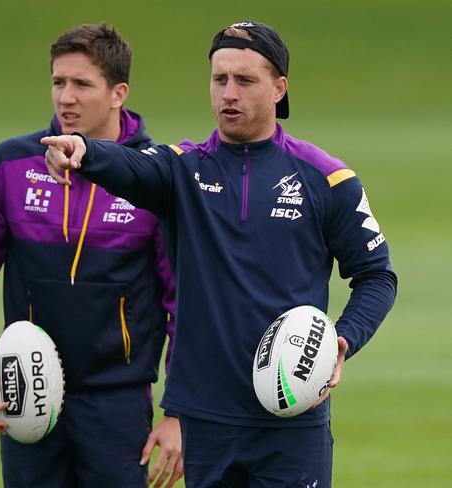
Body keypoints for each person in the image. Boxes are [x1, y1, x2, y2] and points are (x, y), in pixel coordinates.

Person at [42, 20, 397, 488]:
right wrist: (83, 150)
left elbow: (376, 276)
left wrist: (341, 341)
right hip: (206, 420)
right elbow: (128, 165)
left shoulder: (327, 179)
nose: (229, 93)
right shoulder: (181, 170)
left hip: (292, 419)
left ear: (278, 88)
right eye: (219, 79)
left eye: (245, 80)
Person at [0, 23, 183, 488]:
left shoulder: (155, 175)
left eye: (82, 84)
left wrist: (177, 411)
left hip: (118, 402)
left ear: (118, 93)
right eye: (58, 82)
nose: (65, 98)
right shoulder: (7, 166)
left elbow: (182, 302)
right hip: (26, 390)